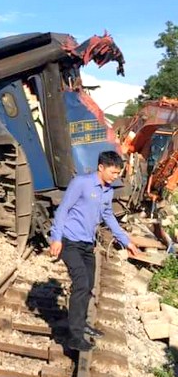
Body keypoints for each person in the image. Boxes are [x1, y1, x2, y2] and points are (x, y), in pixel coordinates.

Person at [49, 150, 139, 351]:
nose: (116, 176)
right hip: (69, 240)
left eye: (118, 173)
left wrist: (126, 240)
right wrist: (56, 238)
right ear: (101, 167)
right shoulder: (81, 183)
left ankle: (81, 323)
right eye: (113, 172)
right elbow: (63, 209)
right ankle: (74, 336)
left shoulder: (108, 190)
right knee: (81, 283)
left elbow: (108, 216)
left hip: (87, 243)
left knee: (88, 285)